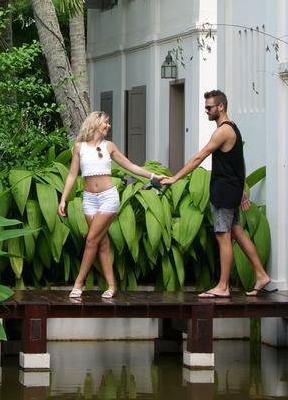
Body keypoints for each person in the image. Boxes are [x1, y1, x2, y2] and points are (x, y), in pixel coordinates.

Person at [160, 90, 274, 298]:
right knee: (237, 232)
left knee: (223, 236)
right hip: (231, 189)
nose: (206, 111)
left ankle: (223, 286)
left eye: (209, 108)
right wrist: (242, 189)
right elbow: (239, 162)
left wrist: (176, 178)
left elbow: (199, 157)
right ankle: (261, 274)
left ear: (221, 107)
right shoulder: (234, 129)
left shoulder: (223, 131)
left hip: (223, 191)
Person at [58, 110, 160, 300]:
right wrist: (63, 198)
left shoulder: (109, 146)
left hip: (108, 198)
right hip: (89, 199)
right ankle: (112, 286)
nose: (109, 126)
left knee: (90, 240)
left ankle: (78, 284)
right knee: (101, 243)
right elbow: (72, 174)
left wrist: (152, 176)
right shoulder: (79, 147)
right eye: (106, 123)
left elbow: (130, 166)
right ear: (96, 124)